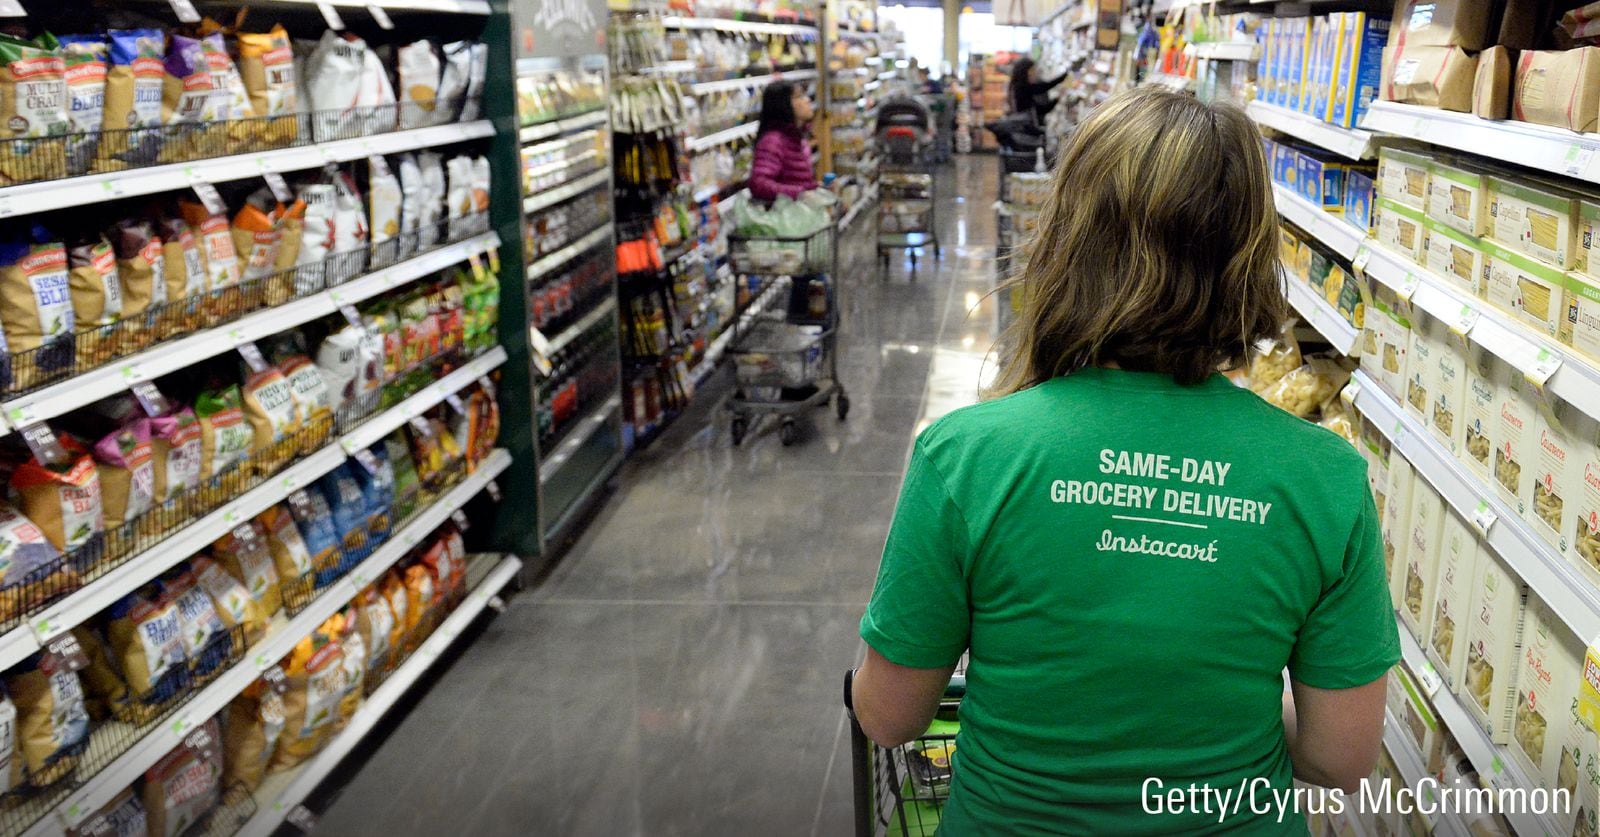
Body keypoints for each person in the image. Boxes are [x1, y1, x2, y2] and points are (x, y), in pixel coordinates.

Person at [850, 87, 1397, 834]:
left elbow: (887, 715)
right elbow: (1341, 757)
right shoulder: (1325, 477)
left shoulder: (967, 455)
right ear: (1249, 259)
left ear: (1069, 242)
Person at [748, 81, 817, 203]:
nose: (807, 100)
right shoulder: (773, 142)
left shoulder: (798, 139)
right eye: (799, 96)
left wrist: (818, 189)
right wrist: (800, 194)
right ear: (783, 105)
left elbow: (796, 182)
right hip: (783, 218)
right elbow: (759, 184)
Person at [1007, 56, 1067, 125]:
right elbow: (1043, 88)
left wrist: (1057, 99)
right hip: (1026, 127)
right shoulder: (1021, 87)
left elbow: (1041, 109)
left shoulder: (1017, 87)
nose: (1034, 73)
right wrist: (1064, 77)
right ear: (1026, 71)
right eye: (1032, 70)